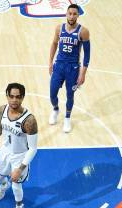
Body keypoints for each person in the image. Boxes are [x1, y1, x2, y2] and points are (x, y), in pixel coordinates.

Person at [48, 3, 90, 133]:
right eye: (69, 13)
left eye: (74, 14)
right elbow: (54, 44)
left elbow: (87, 55)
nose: (71, 16)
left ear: (78, 15)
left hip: (73, 68)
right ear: (66, 14)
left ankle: (67, 118)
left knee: (69, 95)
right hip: (59, 65)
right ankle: (55, 109)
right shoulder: (59, 28)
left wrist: (82, 73)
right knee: (52, 93)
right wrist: (50, 63)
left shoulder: (83, 31)